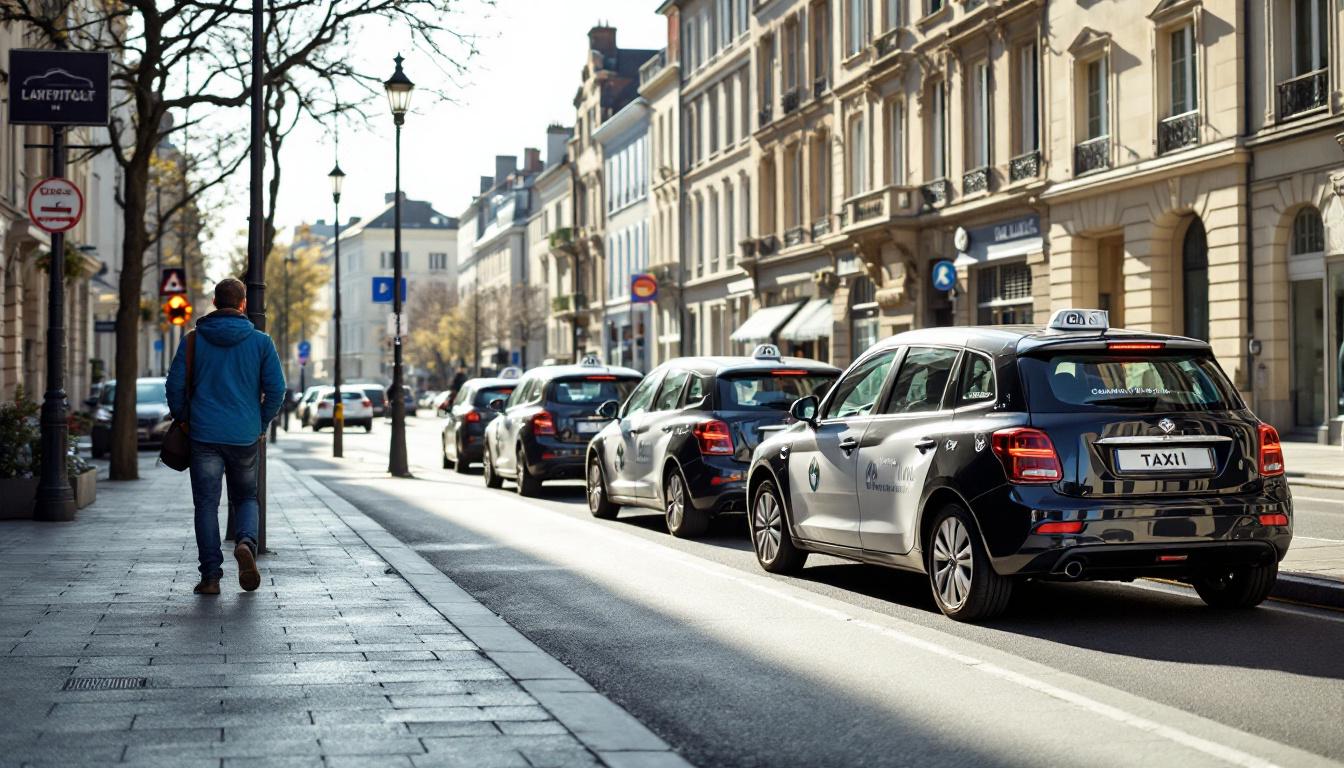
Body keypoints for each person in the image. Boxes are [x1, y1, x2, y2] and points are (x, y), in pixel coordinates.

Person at [166, 278, 286, 595]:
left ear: (215, 302)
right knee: (246, 497)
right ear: (243, 303)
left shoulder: (193, 341)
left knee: (206, 505)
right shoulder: (261, 343)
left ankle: (210, 578)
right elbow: (277, 390)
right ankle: (246, 542)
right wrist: (260, 423)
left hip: (203, 434)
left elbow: (174, 386)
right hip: (245, 434)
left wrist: (185, 419)